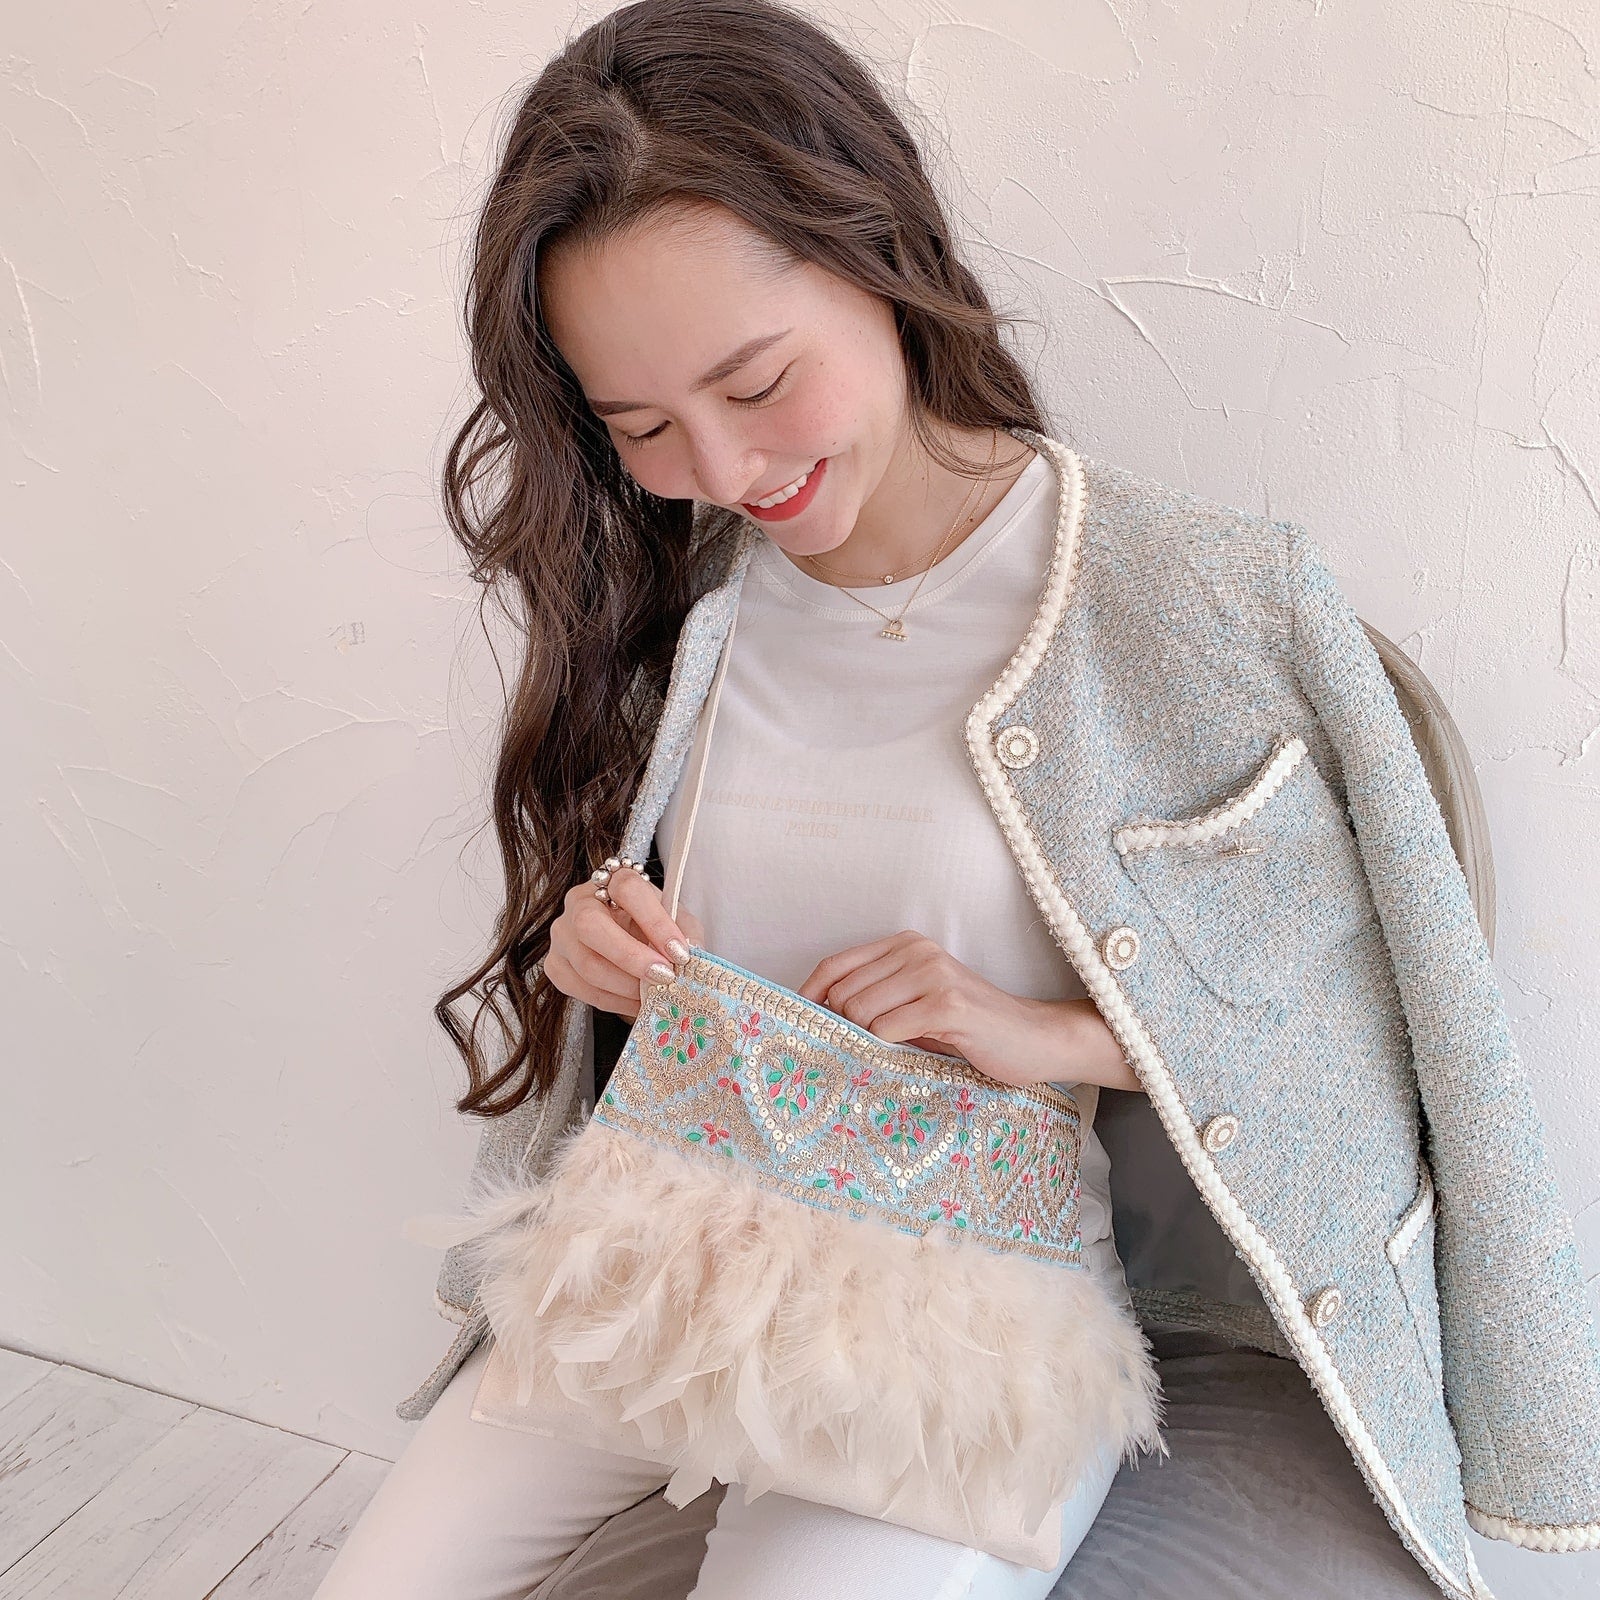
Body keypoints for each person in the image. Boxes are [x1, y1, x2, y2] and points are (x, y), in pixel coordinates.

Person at [317, 2, 1600, 1597]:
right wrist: (602, 942)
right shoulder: (686, 612)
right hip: (668, 1247)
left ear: (878, 250)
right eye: (643, 428)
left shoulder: (1199, 603)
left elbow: (1369, 1035)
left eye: (757, 382)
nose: (725, 469)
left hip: (970, 1312)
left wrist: (1048, 1035)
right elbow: (674, 966)